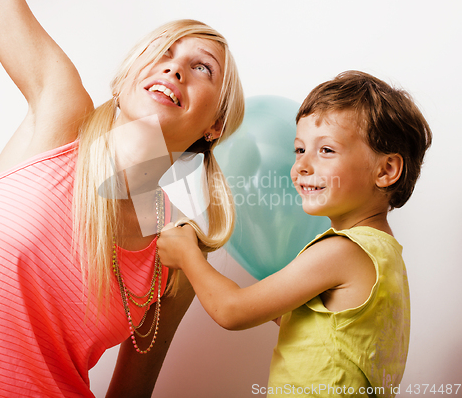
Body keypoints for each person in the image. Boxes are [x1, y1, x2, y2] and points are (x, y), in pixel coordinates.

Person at [0, 0, 244, 397]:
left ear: (215, 127)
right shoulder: (61, 114)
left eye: (202, 67)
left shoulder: (176, 255)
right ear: (125, 77)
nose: (174, 69)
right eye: (162, 52)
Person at [157, 71, 432, 397]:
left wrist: (188, 254)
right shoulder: (384, 255)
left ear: (385, 171)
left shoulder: (342, 251)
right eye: (299, 150)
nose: (302, 165)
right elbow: (316, 329)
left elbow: (231, 310)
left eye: (326, 150)